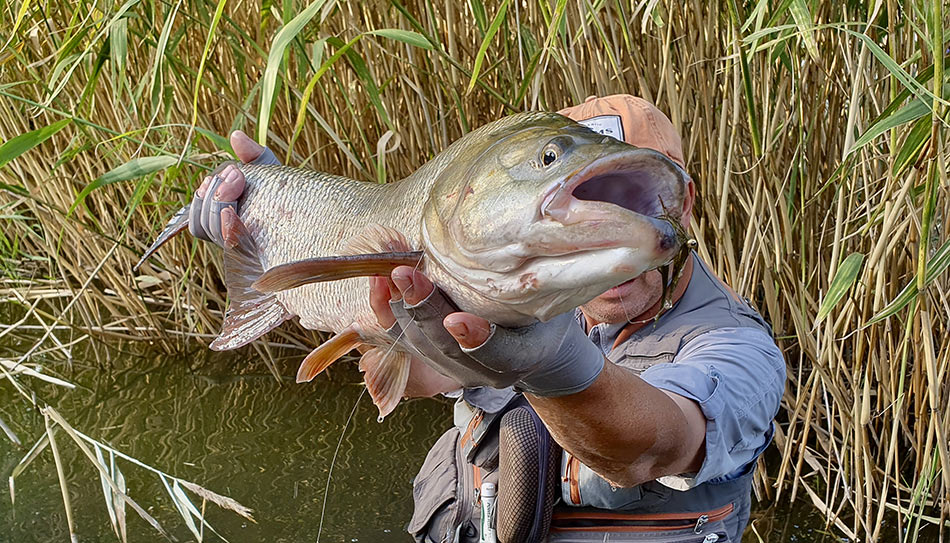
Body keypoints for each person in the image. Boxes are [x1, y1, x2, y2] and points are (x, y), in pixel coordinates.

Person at [191, 95, 785, 542]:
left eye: (627, 202)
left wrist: (555, 364)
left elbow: (654, 446)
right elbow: (424, 376)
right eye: (584, 205)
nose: (602, 237)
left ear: (680, 207)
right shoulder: (509, 287)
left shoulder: (737, 349)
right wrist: (266, 204)